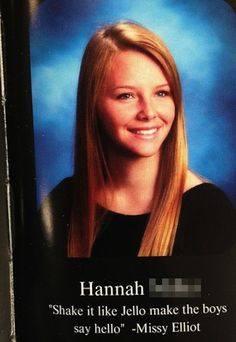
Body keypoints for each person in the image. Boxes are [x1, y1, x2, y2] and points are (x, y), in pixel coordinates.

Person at [38, 21, 236, 258]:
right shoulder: (63, 202)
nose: (149, 112)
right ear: (92, 105)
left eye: (161, 93)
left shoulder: (208, 211)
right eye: (127, 96)